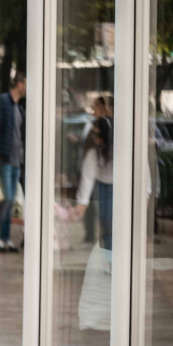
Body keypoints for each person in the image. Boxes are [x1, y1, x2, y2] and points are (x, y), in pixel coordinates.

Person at [0, 73, 27, 252]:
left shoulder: (19, 108)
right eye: (26, 84)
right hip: (5, 159)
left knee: (11, 201)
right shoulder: (4, 101)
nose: (27, 88)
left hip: (16, 161)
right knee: (6, 200)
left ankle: (5, 238)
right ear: (19, 84)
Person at [75, 99, 114, 251]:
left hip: (120, 185)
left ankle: (115, 259)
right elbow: (88, 175)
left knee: (114, 225)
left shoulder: (120, 148)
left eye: (99, 136)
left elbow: (141, 170)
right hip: (103, 184)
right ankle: (109, 258)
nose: (96, 139)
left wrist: (146, 193)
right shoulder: (94, 151)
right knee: (106, 224)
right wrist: (82, 202)